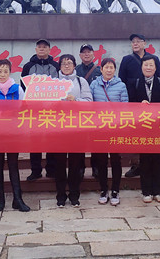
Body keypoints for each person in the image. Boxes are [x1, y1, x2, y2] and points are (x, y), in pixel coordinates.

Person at [0, 59, 31, 212]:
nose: (2, 74)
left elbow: (24, 108)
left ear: (10, 72)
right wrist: (2, 115)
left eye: (6, 71)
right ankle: (0, 200)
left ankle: (18, 199)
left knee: (13, 165)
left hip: (13, 133)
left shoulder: (17, 90)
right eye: (0, 71)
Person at [118, 33, 160, 178]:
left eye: (138, 41)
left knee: (153, 139)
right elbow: (121, 82)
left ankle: (154, 170)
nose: (135, 44)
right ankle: (136, 166)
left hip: (154, 108)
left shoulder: (153, 59)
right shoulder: (127, 60)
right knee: (136, 137)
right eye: (133, 42)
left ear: (145, 43)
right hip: (134, 105)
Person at [54, 54, 93, 207]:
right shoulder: (53, 82)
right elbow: (45, 103)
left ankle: (74, 194)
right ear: (59, 66)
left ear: (74, 65)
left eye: (69, 63)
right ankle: (60, 195)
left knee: (75, 163)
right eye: (63, 63)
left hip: (77, 128)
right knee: (59, 163)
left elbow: (89, 102)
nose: (66, 66)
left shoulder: (81, 81)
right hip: (58, 128)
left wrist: (75, 101)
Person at [90, 58, 128, 206]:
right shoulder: (94, 84)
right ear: (101, 69)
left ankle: (115, 190)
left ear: (114, 70)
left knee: (115, 160)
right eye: (106, 67)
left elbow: (125, 106)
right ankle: (103, 189)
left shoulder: (121, 85)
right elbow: (89, 105)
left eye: (111, 67)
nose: (109, 70)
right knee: (101, 160)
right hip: (99, 128)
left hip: (115, 128)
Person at [135, 55, 160, 203]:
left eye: (151, 65)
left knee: (157, 159)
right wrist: (140, 104)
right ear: (141, 67)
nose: (148, 68)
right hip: (142, 127)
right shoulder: (136, 83)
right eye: (146, 65)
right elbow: (129, 103)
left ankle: (158, 191)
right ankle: (146, 192)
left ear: (156, 68)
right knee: (144, 159)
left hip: (158, 127)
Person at [21, 39, 60, 181]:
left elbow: (61, 85)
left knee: (52, 140)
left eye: (45, 47)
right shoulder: (28, 66)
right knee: (35, 140)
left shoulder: (56, 66)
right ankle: (35, 170)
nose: (42, 49)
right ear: (36, 49)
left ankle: (51, 169)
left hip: (52, 110)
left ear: (49, 50)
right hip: (34, 110)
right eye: (39, 47)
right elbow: (23, 86)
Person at [76, 43, 102, 178]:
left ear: (93, 54)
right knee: (80, 141)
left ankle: (96, 167)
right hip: (79, 112)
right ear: (80, 55)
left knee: (95, 141)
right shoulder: (75, 70)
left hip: (96, 111)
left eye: (89, 52)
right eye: (84, 52)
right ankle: (80, 168)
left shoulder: (99, 70)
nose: (86, 54)